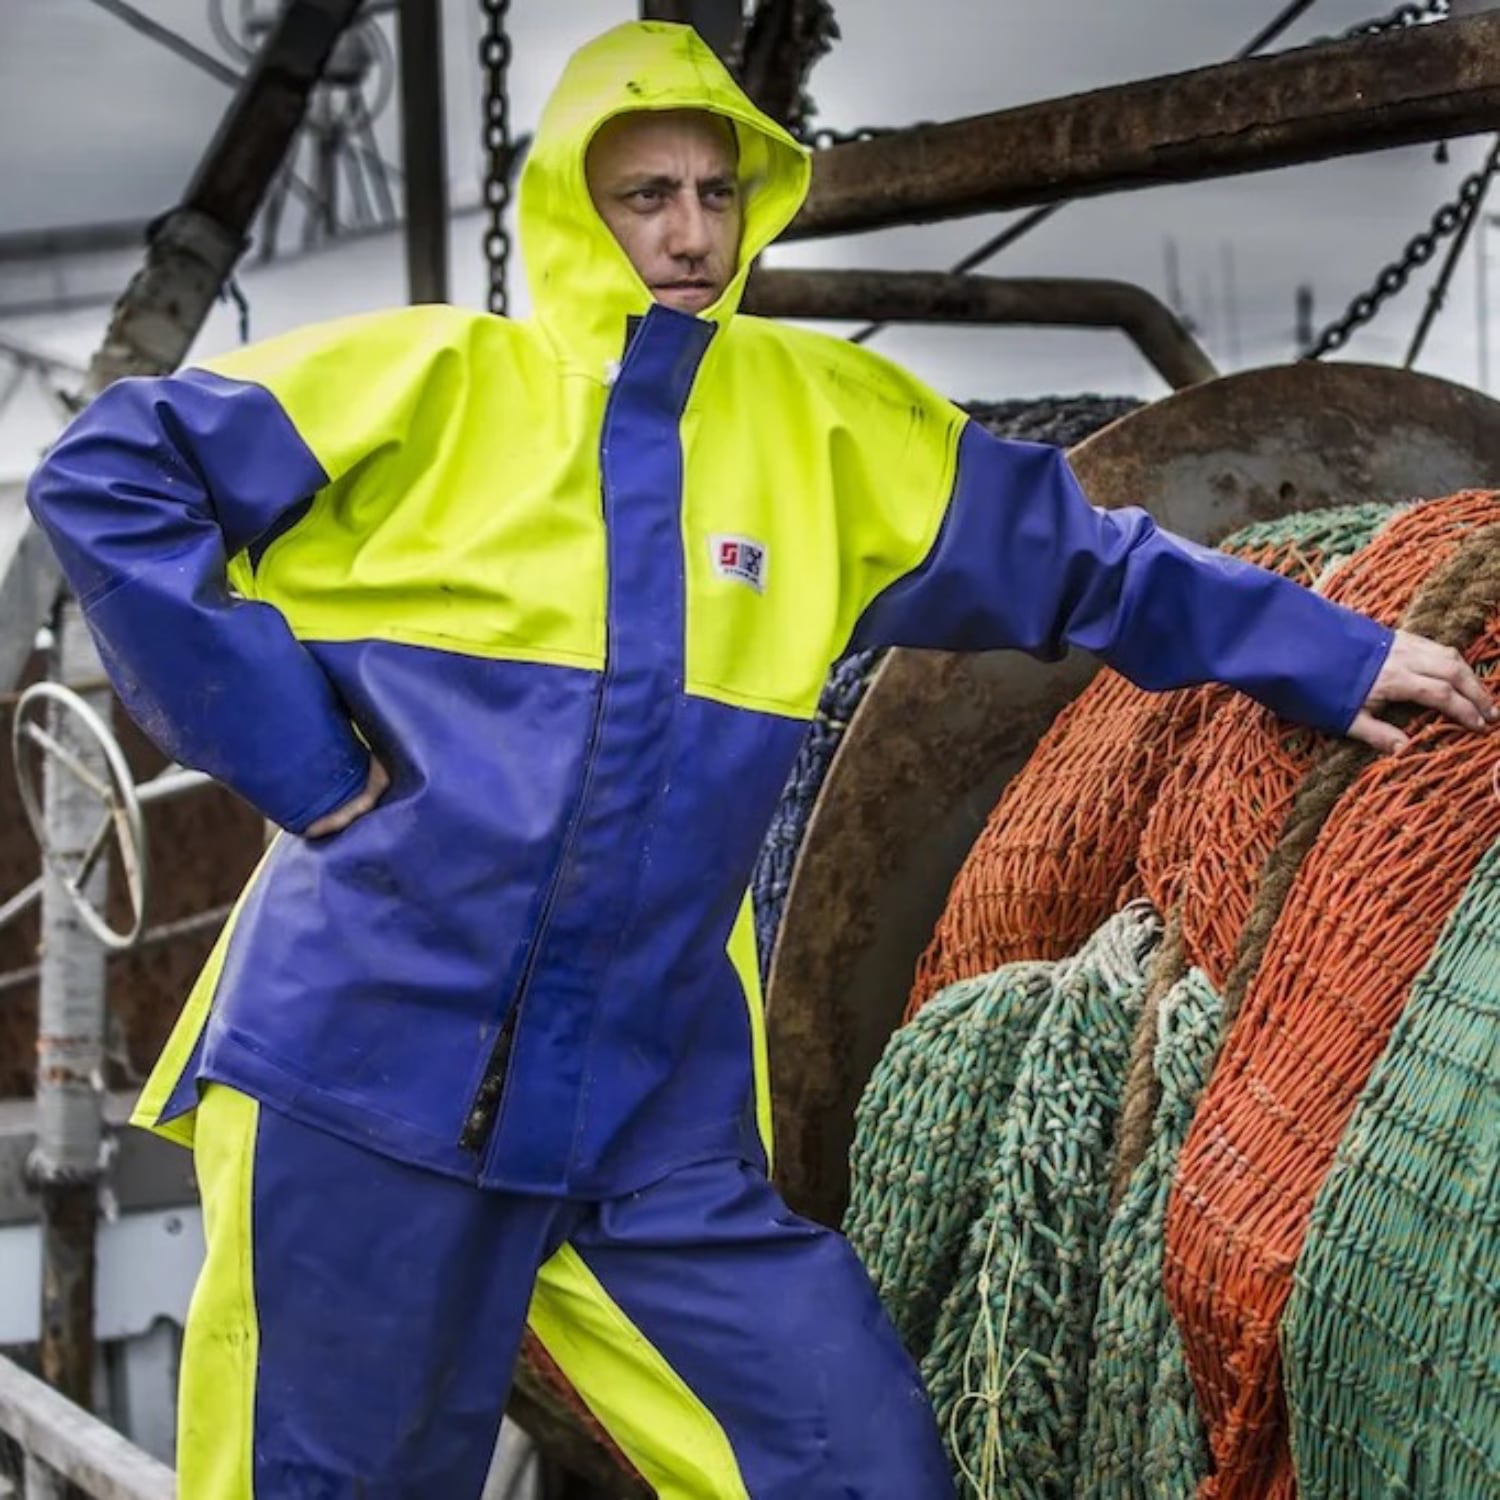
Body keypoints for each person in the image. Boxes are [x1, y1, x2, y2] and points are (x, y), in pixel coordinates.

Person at [26, 19, 1495, 1500]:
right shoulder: (428, 385)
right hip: (357, 1093)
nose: (688, 233)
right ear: (572, 207)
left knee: (857, 1467)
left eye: (716, 193)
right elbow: (109, 473)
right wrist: (297, 756)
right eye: (645, 196)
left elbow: (1087, 560)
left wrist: (1333, 650)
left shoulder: (826, 430)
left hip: (647, 1126)